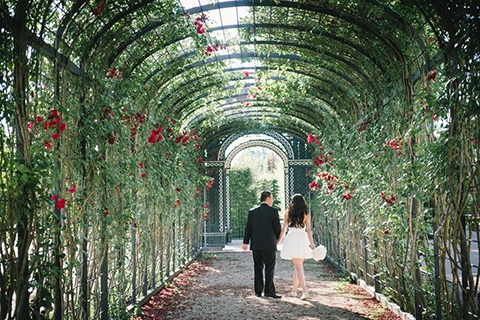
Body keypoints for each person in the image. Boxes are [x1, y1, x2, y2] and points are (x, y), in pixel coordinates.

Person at [242, 190, 282, 298]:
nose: (272, 201)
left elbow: (248, 228)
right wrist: (278, 239)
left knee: (257, 267)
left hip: (256, 244)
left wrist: (245, 242)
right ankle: (269, 291)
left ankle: (258, 291)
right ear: (268, 198)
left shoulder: (252, 212)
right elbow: (277, 228)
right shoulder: (273, 212)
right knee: (269, 267)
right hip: (269, 244)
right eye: (272, 198)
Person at [277, 193, 315, 300]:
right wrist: (311, 243)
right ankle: (294, 291)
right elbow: (308, 230)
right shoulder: (306, 213)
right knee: (298, 266)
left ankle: (305, 291)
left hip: (292, 238)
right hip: (302, 238)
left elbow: (283, 229)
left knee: (298, 266)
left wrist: (279, 240)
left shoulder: (288, 213)